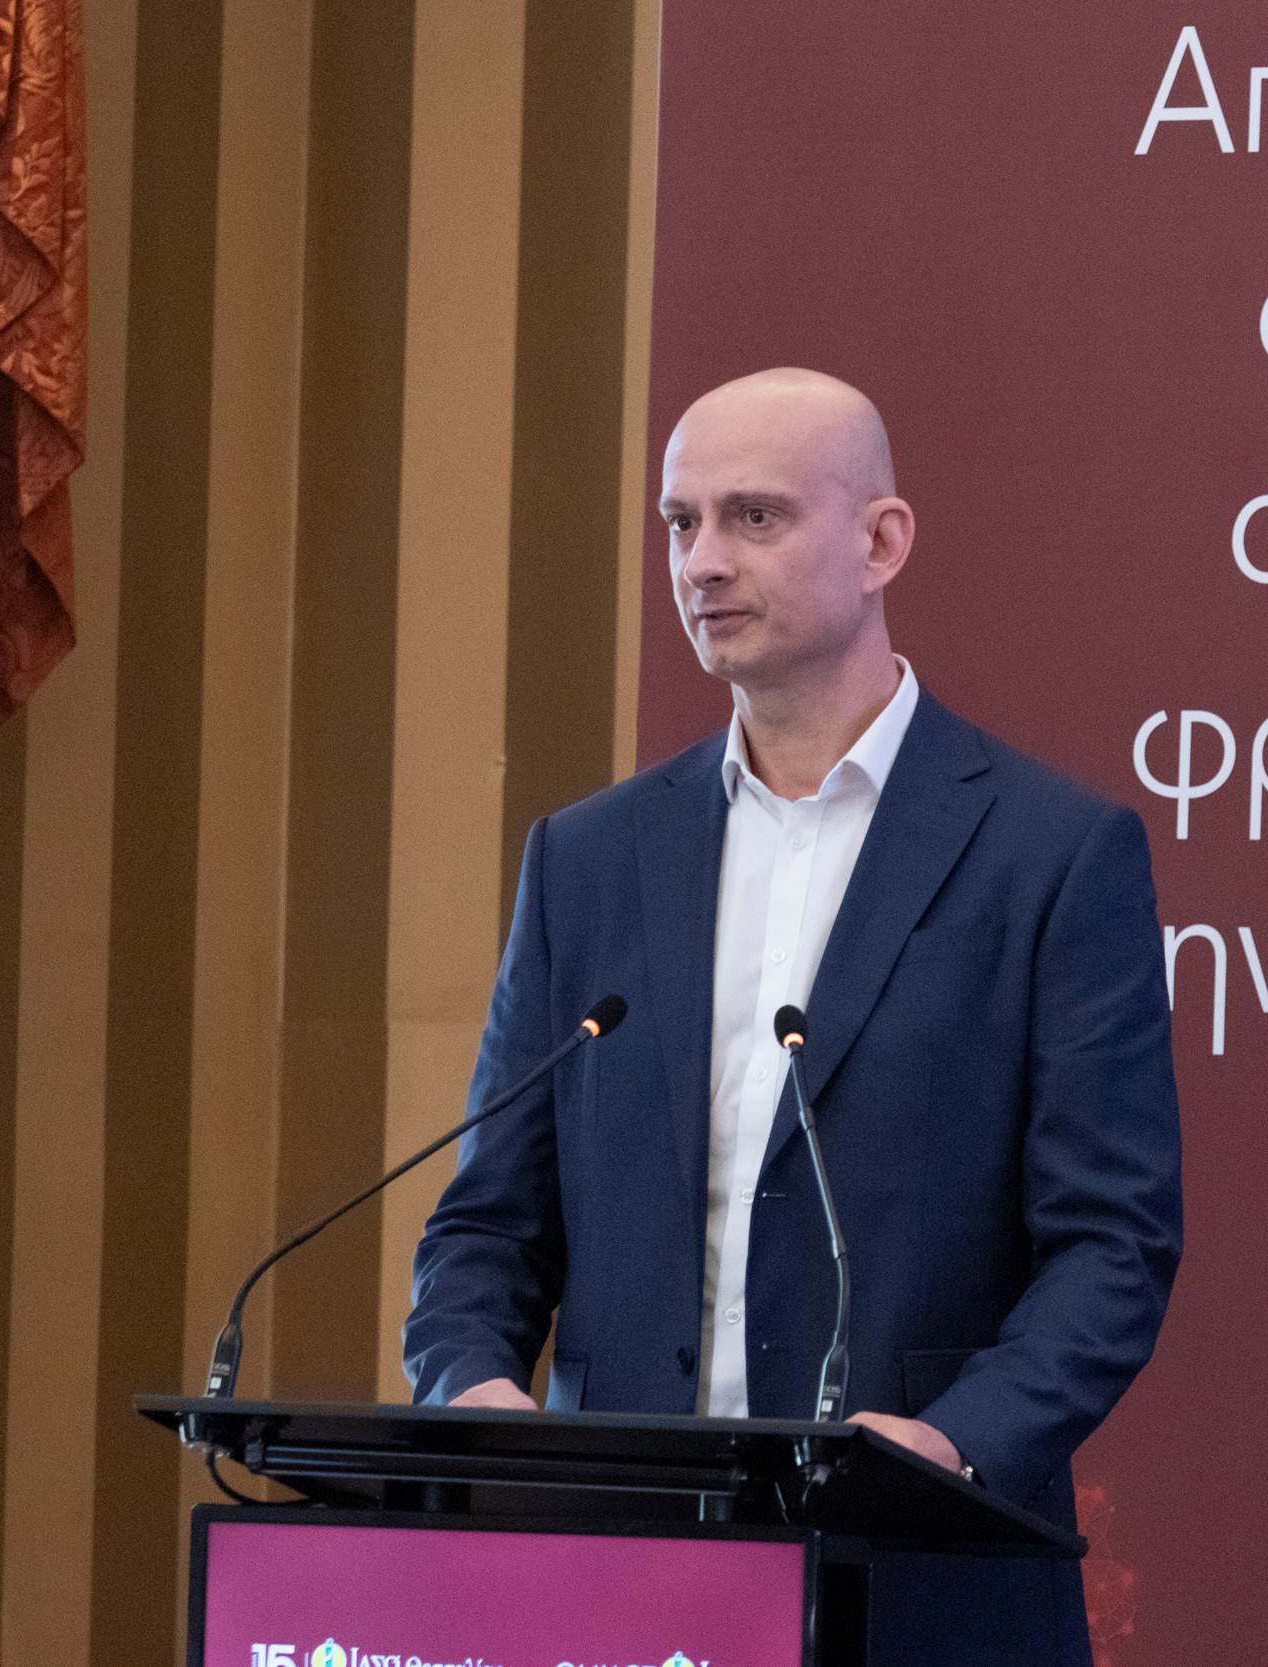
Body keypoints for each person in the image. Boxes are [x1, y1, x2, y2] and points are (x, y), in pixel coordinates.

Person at [404, 367, 1182, 1664]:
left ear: (882, 543)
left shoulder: (1049, 856)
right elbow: (487, 1223)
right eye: (681, 523)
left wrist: (951, 1443)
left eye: (754, 518)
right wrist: (470, 1386)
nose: (702, 562)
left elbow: (1112, 1247)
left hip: (920, 1584)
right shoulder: (588, 860)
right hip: (618, 1586)